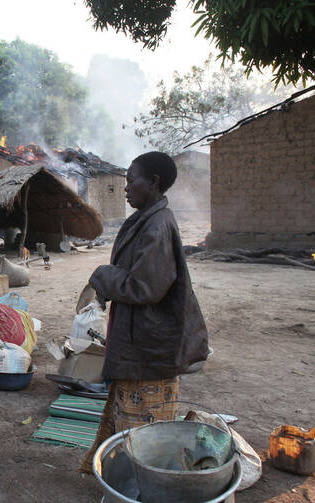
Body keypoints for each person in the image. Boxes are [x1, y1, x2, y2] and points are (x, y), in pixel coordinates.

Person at [78, 151, 209, 473]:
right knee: (130, 419)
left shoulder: (157, 227)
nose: (125, 188)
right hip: (140, 338)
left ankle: (142, 481)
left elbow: (145, 287)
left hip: (150, 344)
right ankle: (127, 477)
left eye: (130, 180)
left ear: (153, 182)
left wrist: (103, 274)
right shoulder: (148, 219)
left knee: (143, 430)